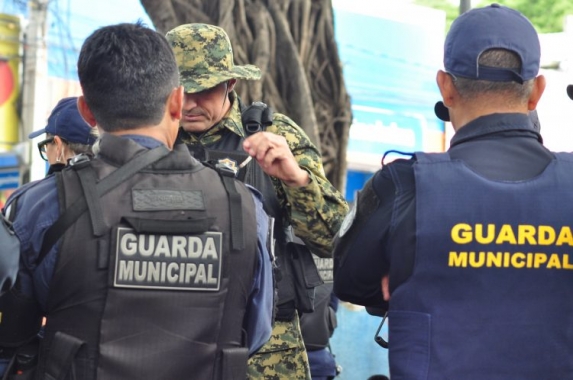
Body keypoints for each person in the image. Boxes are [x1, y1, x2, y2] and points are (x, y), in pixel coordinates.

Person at [0, 21, 273, 380]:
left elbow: (13, 335)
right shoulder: (244, 207)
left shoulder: (40, 206)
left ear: (87, 111)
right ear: (177, 101)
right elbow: (255, 333)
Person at [333, 4, 573, 379]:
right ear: (537, 92)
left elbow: (350, 281)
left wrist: (408, 273)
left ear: (445, 87)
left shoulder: (404, 185)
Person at [165, 23, 349, 379]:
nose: (189, 103)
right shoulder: (155, 138)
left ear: (230, 84)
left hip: (266, 348)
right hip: (175, 336)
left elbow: (334, 238)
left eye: (203, 90)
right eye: (180, 91)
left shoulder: (274, 135)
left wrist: (297, 180)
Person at [29, 96, 98, 175]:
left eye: (45, 146)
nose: (46, 154)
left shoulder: (49, 186)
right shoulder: (110, 180)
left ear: (58, 146)